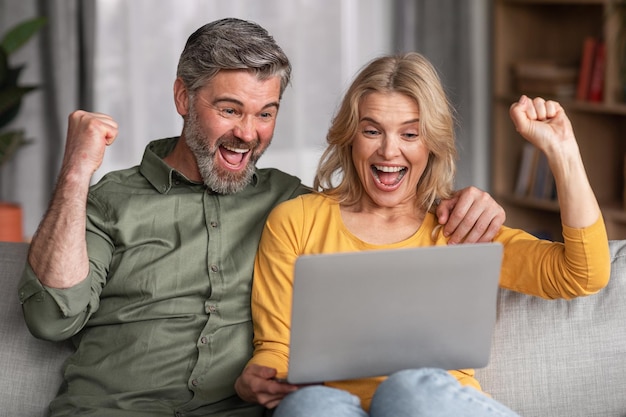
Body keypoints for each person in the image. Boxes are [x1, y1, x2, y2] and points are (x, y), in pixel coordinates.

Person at [18, 20, 505, 417]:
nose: (247, 134)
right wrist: (77, 171)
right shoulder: (112, 199)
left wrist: (459, 204)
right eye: (230, 110)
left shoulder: (291, 206)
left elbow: (379, 207)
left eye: (265, 114)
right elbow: (49, 318)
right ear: (184, 99)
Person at [234, 52, 611, 416]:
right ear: (351, 137)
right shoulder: (295, 222)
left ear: (431, 144)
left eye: (410, 134)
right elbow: (276, 347)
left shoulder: (462, 226)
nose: (388, 150)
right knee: (308, 406)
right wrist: (259, 376)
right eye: (372, 131)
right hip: (330, 405)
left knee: (406, 390)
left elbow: (583, 274)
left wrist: (563, 154)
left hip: (426, 405)